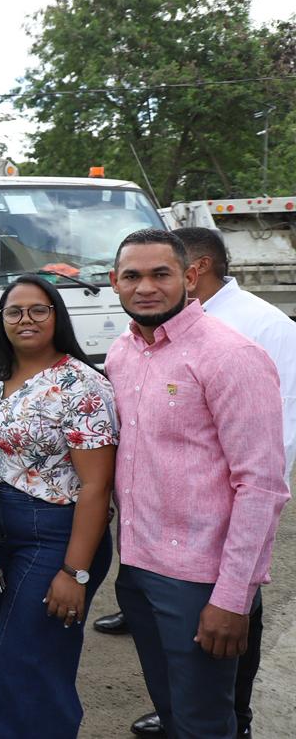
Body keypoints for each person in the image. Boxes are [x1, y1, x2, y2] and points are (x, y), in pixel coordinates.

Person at [111, 227, 296, 738]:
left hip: (201, 581)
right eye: (133, 275)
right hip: (138, 570)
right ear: (114, 281)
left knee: (204, 725)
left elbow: (262, 486)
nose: (146, 287)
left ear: (190, 277)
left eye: (161, 274)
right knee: (173, 713)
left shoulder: (230, 355)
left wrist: (233, 597)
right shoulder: (122, 354)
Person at [0, 275, 117, 738]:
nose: (26, 319)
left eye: (38, 310)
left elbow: (96, 486)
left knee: (28, 662)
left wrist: (75, 572)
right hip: (0, 529)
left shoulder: (82, 385)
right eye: (14, 311)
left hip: (53, 533)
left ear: (57, 316)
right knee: (4, 652)